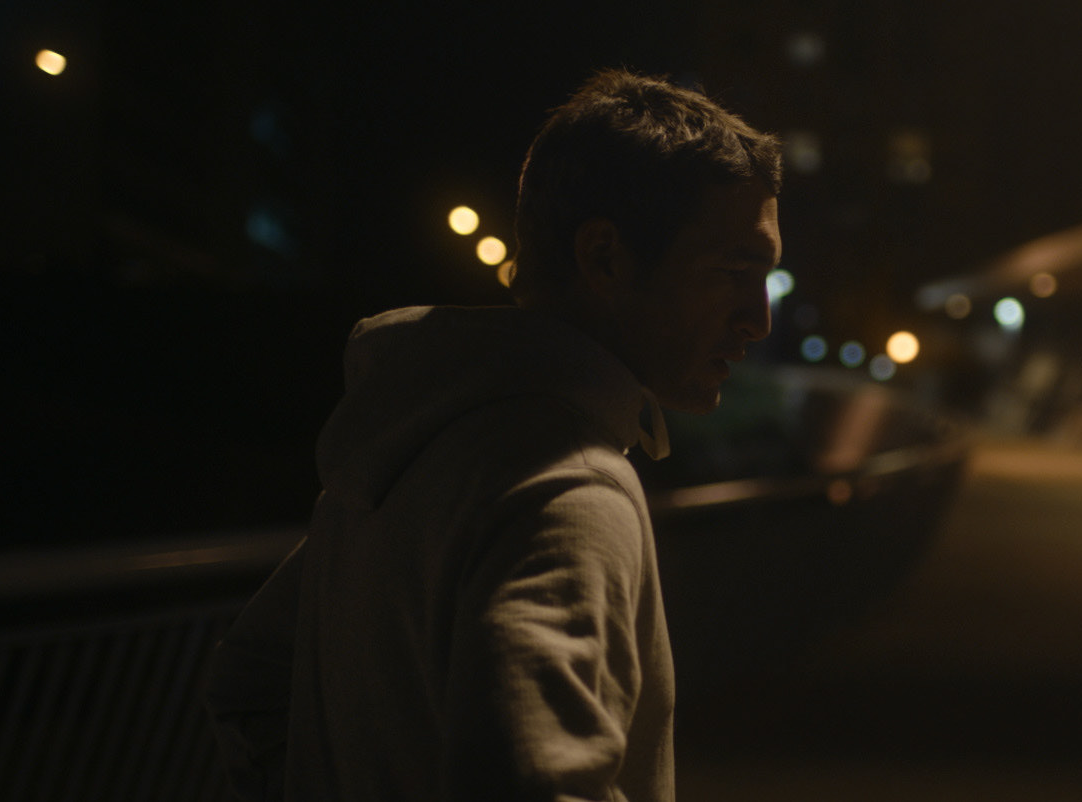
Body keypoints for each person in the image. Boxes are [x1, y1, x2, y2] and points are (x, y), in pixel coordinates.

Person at [204, 69, 781, 802]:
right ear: (605, 257)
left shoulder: (410, 440)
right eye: (733, 271)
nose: (758, 320)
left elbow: (250, 683)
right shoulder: (568, 491)